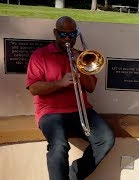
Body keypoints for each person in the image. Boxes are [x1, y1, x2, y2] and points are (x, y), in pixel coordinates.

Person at [26, 16, 115, 180]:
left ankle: (72, 175)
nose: (68, 39)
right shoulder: (40, 55)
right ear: (55, 33)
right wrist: (60, 83)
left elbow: (91, 88)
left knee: (106, 139)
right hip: (50, 113)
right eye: (63, 35)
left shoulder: (82, 56)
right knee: (59, 146)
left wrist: (79, 65)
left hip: (81, 110)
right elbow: (34, 88)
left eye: (72, 34)